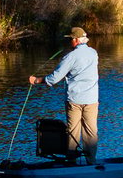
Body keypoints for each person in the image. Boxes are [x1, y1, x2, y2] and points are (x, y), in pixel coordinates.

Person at [30, 27, 99, 165]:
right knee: (91, 132)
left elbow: (54, 78)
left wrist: (37, 80)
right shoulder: (93, 53)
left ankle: (71, 163)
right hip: (92, 100)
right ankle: (91, 162)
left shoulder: (70, 57)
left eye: (71, 39)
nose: (69, 42)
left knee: (73, 132)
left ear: (76, 40)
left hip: (74, 100)